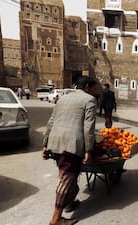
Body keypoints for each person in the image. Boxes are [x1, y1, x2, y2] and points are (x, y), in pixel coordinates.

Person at [42, 76, 99, 225]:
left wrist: (45, 143)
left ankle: (68, 203)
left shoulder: (62, 98)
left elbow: (51, 121)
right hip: (71, 145)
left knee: (69, 177)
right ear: (87, 86)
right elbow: (88, 127)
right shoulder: (90, 100)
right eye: (94, 88)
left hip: (56, 142)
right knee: (66, 180)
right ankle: (56, 219)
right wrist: (88, 149)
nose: (95, 91)